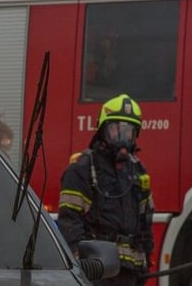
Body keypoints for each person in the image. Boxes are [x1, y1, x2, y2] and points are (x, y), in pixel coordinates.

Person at [58, 93, 154, 285]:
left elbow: (146, 222)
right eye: (116, 130)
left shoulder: (137, 171)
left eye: (129, 132)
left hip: (129, 272)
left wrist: (144, 263)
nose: (123, 138)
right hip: (99, 269)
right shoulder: (82, 168)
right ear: (102, 130)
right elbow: (70, 220)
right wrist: (82, 265)